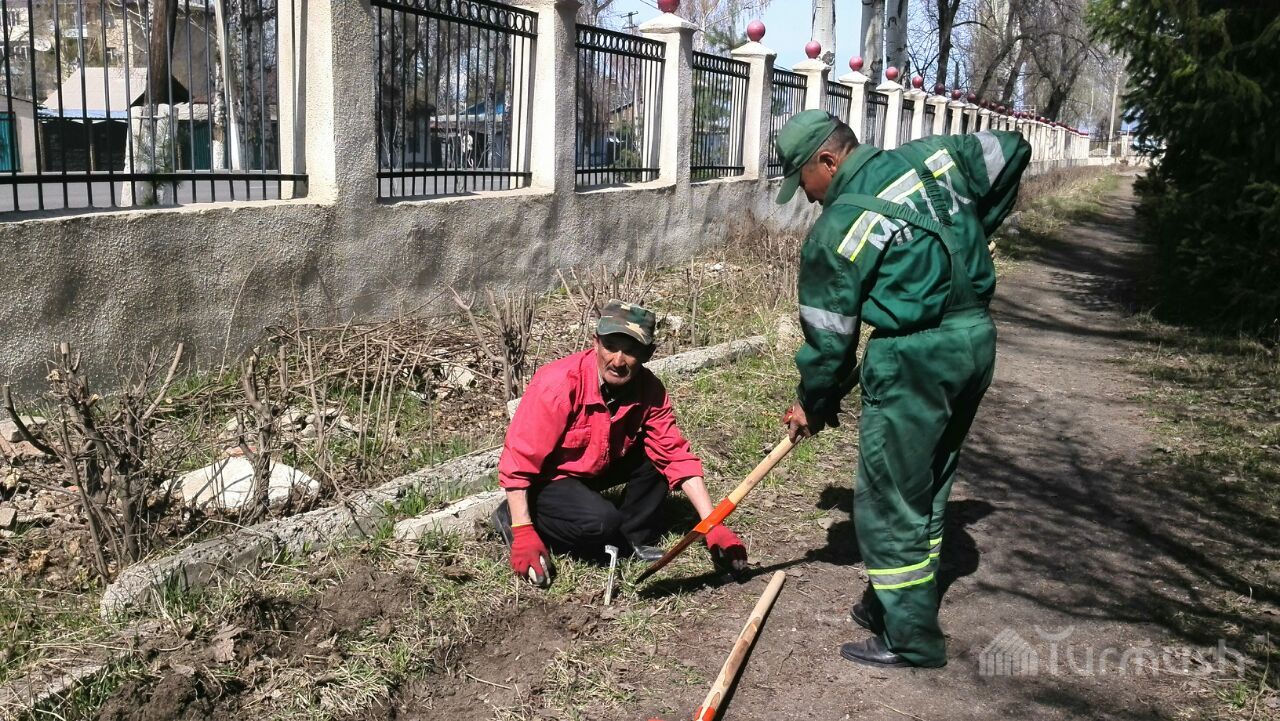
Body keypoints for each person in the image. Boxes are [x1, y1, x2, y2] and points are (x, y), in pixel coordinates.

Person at [774, 110, 1031, 668]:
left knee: (890, 501)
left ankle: (909, 638)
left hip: (915, 360)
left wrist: (813, 401)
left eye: (803, 180)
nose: (808, 197)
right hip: (974, 341)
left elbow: (829, 343)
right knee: (927, 484)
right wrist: (971, 233)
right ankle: (889, 605)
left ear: (828, 160)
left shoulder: (838, 229)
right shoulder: (933, 158)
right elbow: (1012, 147)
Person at [492, 300, 747, 587]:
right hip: (551, 478)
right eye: (611, 346)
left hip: (595, 466)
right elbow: (519, 460)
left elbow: (674, 455)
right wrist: (523, 530)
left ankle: (630, 538)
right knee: (601, 523)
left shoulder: (649, 389)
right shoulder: (558, 383)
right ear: (596, 343)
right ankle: (515, 515)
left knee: (656, 457)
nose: (617, 360)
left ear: (648, 354)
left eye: (631, 351)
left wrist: (711, 523)